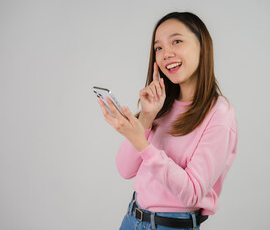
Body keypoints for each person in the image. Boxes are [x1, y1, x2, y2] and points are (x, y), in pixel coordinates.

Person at [97, 12, 238, 230]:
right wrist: (146, 117)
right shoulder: (161, 104)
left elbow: (192, 192)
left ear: (203, 46)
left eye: (177, 41)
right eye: (158, 48)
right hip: (132, 219)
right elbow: (125, 169)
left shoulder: (219, 113)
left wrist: (142, 144)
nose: (165, 54)